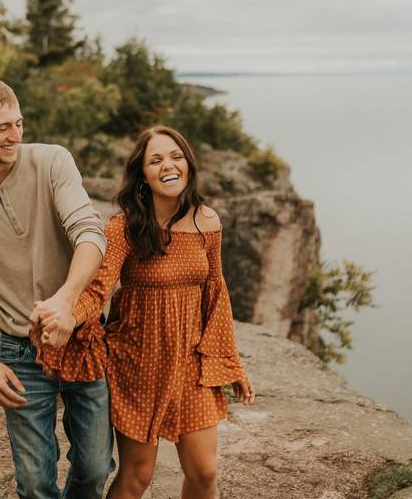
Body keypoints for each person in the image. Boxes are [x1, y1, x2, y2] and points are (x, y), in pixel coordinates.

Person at [35, 125, 255, 499]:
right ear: (143, 174)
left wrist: (230, 362)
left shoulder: (207, 222)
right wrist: (68, 317)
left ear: (188, 164)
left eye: (175, 156)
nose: (168, 166)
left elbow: (216, 293)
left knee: (204, 471)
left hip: (190, 363)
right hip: (139, 363)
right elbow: (98, 287)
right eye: (156, 160)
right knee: (138, 475)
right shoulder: (124, 228)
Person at [0, 79, 114, 499]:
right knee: (34, 483)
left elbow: (89, 232)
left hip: (82, 337)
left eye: (18, 124)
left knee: (93, 467)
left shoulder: (53, 161)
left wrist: (66, 302)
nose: (15, 136)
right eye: (1, 128)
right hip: (20, 351)